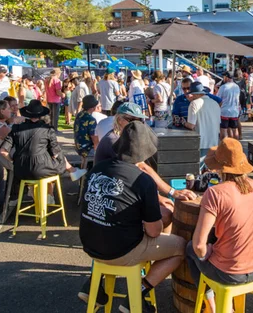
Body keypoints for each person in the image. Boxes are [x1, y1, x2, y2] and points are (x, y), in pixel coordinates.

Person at [79, 122, 186, 313]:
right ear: (145, 153)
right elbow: (154, 231)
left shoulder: (97, 169)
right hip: (121, 251)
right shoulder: (142, 181)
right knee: (180, 248)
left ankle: (96, 284)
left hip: (90, 245)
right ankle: (139, 291)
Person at [187, 138, 253, 313]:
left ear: (219, 168)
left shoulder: (215, 193)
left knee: (190, 249)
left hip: (229, 272)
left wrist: (205, 254)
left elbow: (199, 245)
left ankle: (214, 307)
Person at [94, 103, 197, 229]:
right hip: (110, 195)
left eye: (140, 120)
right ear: (119, 119)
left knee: (166, 208)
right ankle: (152, 245)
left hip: (122, 188)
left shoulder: (124, 137)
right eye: (132, 120)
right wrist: (171, 193)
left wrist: (163, 194)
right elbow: (140, 167)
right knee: (166, 214)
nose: (137, 124)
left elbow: (140, 168)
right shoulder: (114, 140)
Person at [0, 100, 86, 204]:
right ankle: (50, 195)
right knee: (55, 161)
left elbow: (3, 151)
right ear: (42, 115)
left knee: (47, 163)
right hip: (41, 169)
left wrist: (14, 160)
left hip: (21, 171)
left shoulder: (16, 128)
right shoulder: (48, 129)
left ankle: (37, 192)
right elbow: (56, 154)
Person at [184, 82, 221, 159]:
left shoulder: (194, 103)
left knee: (199, 168)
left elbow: (191, 125)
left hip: (201, 142)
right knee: (211, 167)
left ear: (196, 94)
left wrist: (183, 122)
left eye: (193, 94)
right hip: (214, 141)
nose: (192, 96)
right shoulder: (215, 103)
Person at [216, 71, 241, 139]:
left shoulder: (223, 87)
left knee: (223, 130)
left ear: (227, 77)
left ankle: (224, 147)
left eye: (224, 77)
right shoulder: (237, 87)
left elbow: (218, 99)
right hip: (234, 111)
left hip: (224, 111)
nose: (223, 78)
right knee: (235, 130)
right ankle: (236, 146)